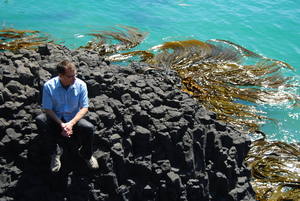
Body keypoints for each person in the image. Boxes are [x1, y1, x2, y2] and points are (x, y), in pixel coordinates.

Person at [35, 60, 99, 172]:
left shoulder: (81, 85)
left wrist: (70, 124)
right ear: (61, 75)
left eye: (75, 75)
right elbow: (47, 109)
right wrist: (61, 124)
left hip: (72, 119)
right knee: (40, 120)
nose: (74, 78)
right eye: (71, 76)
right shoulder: (48, 86)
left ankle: (86, 154)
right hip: (56, 118)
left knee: (89, 128)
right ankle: (55, 153)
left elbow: (84, 108)